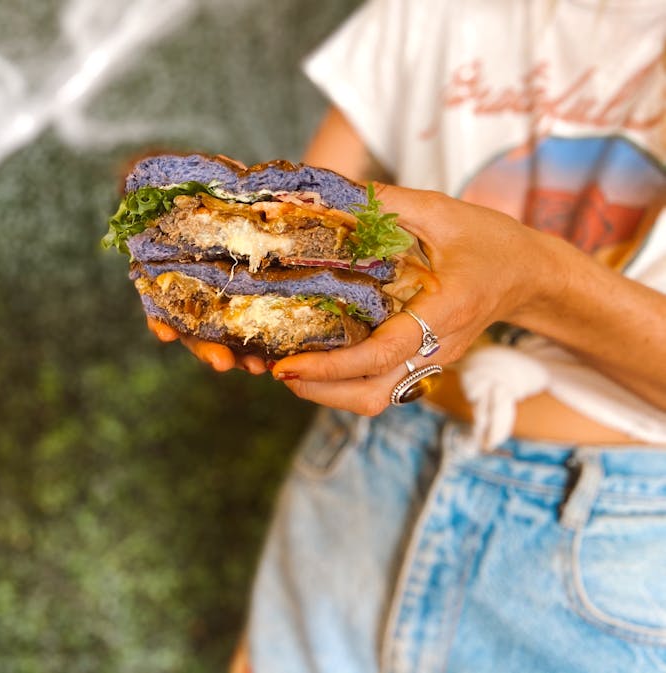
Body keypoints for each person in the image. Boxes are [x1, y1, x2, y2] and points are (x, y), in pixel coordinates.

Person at [149, 1, 666, 671]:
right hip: (365, 474)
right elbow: (313, 217)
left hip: (612, 542)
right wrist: (228, 261)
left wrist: (535, 280)